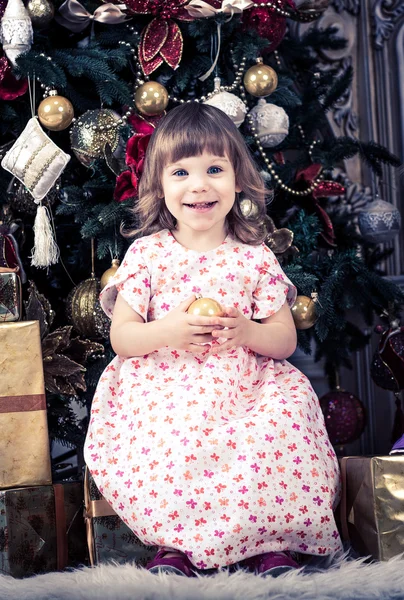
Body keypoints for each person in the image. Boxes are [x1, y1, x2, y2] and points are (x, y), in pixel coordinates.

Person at [84, 103, 342, 578]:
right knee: (172, 439)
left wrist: (247, 331)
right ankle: (176, 546)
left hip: (244, 386)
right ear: (159, 186)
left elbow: (284, 340)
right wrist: (170, 331)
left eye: (215, 169)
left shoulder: (254, 256)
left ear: (238, 179)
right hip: (167, 387)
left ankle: (267, 543)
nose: (199, 184)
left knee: (276, 424)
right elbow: (122, 337)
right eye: (181, 171)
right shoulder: (147, 254)